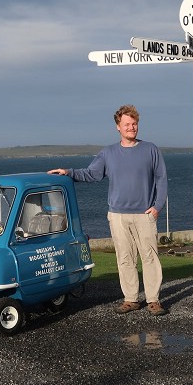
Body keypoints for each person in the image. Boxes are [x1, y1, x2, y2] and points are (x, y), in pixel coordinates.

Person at [48, 104, 168, 316]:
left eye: (134, 123)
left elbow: (161, 179)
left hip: (145, 214)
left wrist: (157, 207)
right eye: (127, 124)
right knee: (124, 258)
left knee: (150, 257)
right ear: (118, 127)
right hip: (118, 215)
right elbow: (92, 174)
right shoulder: (108, 153)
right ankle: (131, 299)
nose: (131, 127)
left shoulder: (151, 149)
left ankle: (153, 300)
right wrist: (68, 172)